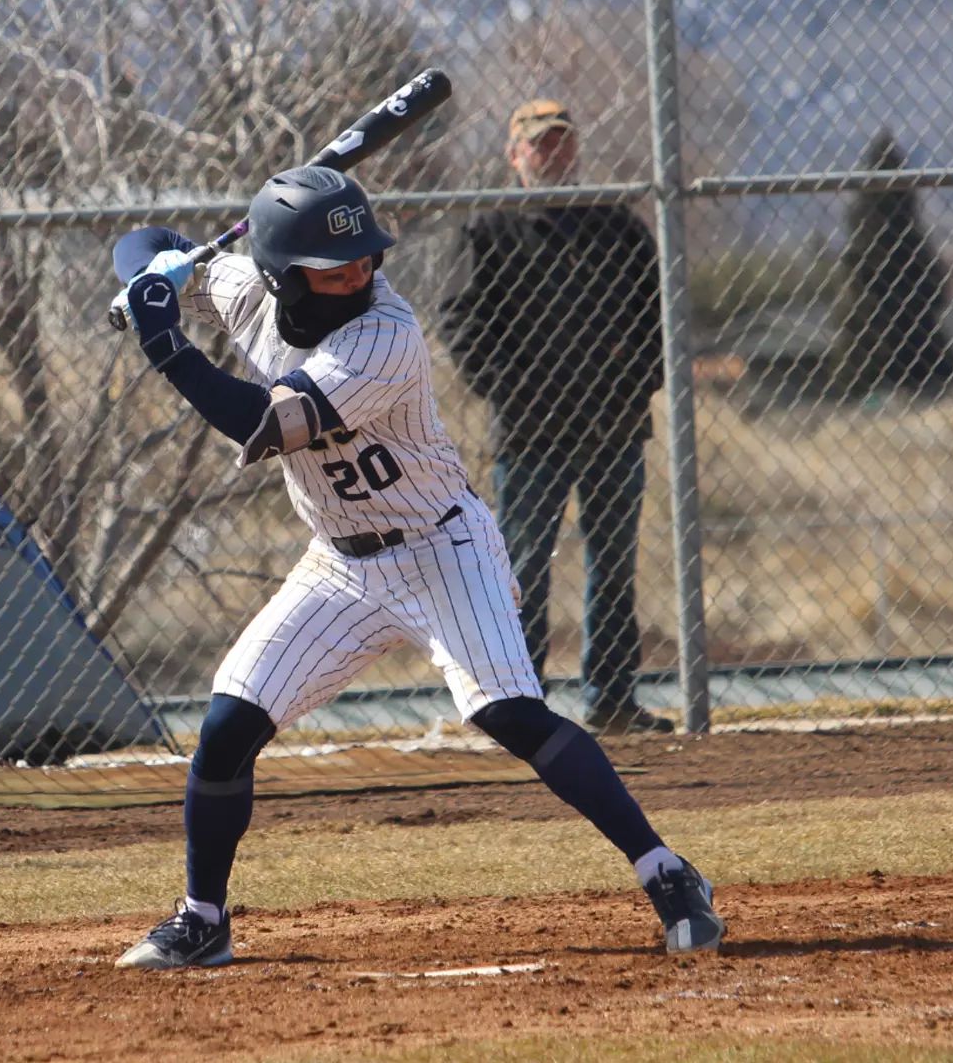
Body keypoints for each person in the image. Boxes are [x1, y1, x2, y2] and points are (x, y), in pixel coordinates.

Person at [106, 166, 722, 971]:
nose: (361, 275)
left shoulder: (384, 335)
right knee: (226, 729)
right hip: (340, 563)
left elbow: (260, 422)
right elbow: (145, 242)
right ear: (283, 276)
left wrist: (163, 338)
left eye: (366, 258)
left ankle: (668, 872)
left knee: (510, 714)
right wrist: (157, 273)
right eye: (338, 267)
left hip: (440, 548)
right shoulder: (244, 288)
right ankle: (203, 919)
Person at [440, 99, 674, 736]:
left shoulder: (616, 225)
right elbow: (461, 323)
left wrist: (634, 387)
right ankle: (522, 709)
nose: (554, 154)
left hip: (615, 429)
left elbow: (659, 321)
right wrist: (513, 390)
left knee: (613, 565)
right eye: (540, 145)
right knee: (521, 572)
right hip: (530, 434)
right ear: (515, 156)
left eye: (563, 142)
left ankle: (613, 700)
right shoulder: (489, 229)